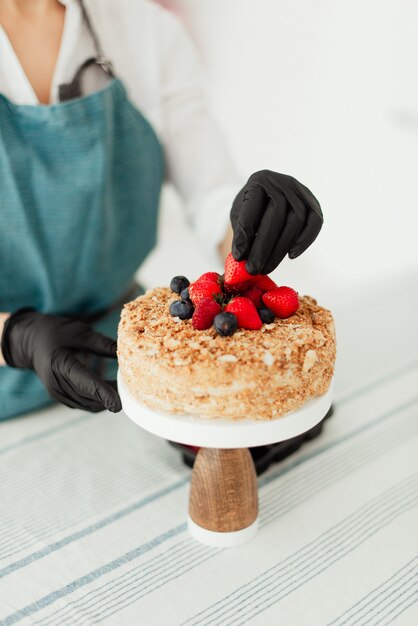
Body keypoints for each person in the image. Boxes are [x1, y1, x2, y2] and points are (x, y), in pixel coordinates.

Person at [0, 0, 323, 421]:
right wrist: (16, 337)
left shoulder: (148, 32)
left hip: (132, 367)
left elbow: (211, 195)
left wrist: (255, 217)